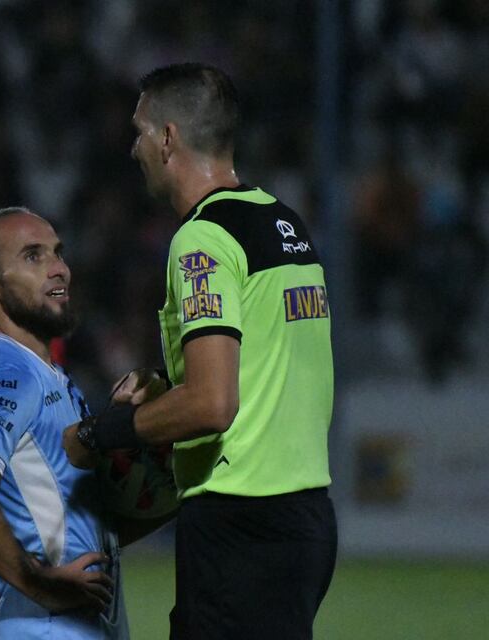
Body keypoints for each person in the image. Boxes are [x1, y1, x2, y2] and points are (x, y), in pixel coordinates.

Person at [64, 63, 337, 640]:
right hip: (305, 516)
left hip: (241, 522)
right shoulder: (283, 222)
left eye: (139, 132)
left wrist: (102, 433)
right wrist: (169, 385)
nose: (133, 148)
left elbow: (214, 406)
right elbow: (266, 372)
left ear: (167, 138)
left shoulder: (203, 239)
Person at [0, 207, 128, 639]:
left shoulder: (43, 371)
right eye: (32, 256)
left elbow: (79, 519)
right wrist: (41, 584)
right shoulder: (8, 373)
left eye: (57, 253)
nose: (59, 268)